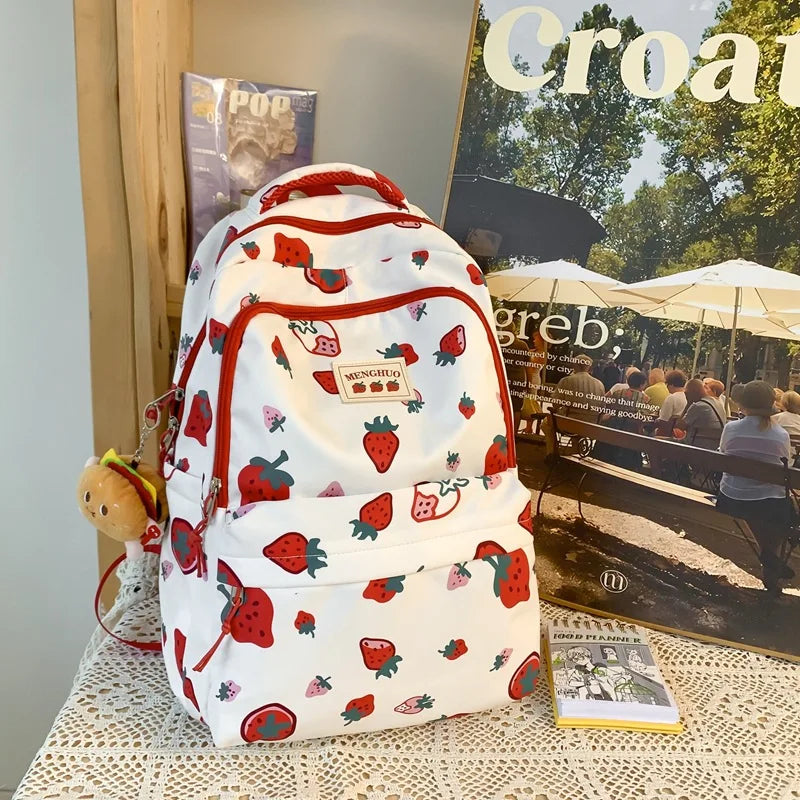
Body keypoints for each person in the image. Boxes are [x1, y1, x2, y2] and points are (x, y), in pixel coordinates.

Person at [716, 381, 794, 591]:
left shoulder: (731, 428)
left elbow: (723, 453)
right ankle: (769, 557)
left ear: (744, 403)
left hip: (731, 496)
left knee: (761, 508)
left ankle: (768, 557)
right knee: (781, 511)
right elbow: (785, 466)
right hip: (767, 503)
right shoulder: (781, 435)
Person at [593, 370, 650, 470]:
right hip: (630, 436)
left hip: (611, 432)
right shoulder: (645, 399)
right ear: (642, 384)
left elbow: (606, 407)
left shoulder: (617, 393)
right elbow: (643, 418)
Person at [552, 354, 606, 423]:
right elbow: (602, 408)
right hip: (591, 424)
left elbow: (555, 404)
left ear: (575, 365)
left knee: (545, 424)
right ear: (589, 367)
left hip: (568, 421)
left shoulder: (567, 380)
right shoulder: (599, 384)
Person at [674, 378, 725, 449]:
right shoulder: (718, 403)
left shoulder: (698, 406)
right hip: (713, 447)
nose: (686, 395)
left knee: (659, 440)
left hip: (694, 447)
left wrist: (688, 403)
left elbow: (679, 426)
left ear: (693, 392)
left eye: (686, 393)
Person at [654, 370, 688, 435]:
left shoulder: (671, 398)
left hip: (668, 433)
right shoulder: (687, 397)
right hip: (681, 433)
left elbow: (663, 420)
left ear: (671, 385)